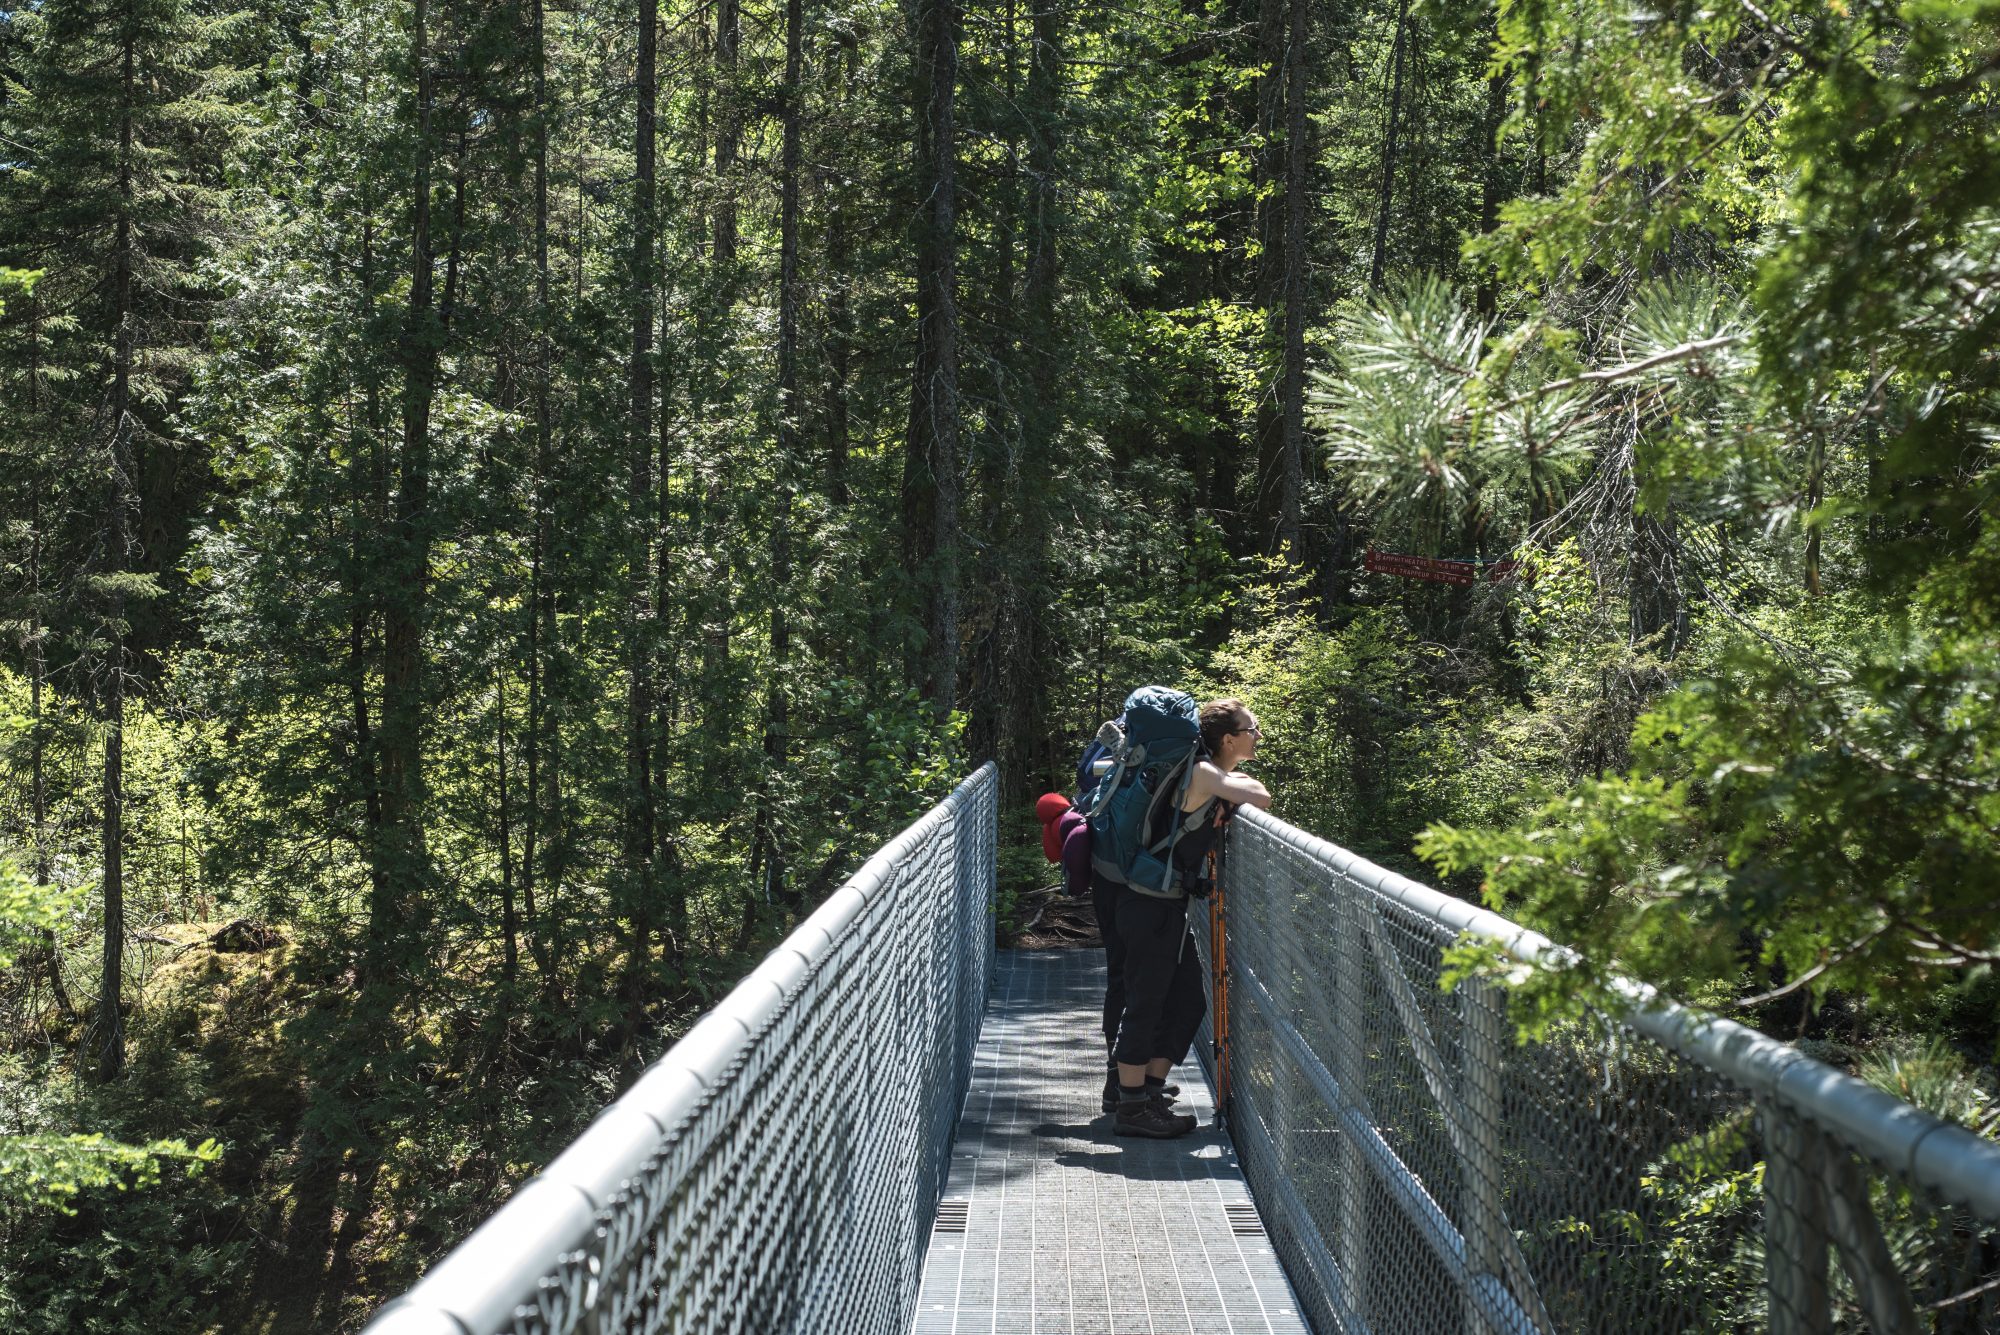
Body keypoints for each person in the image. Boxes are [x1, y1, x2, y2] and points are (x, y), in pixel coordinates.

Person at [1105, 697, 1271, 1138]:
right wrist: (1231, 789)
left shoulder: (1203, 772)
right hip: (1148, 906)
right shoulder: (1201, 772)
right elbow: (1262, 796)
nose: (1257, 735)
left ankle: (1148, 1090)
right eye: (1251, 728)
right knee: (1146, 1003)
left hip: (1159, 904)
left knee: (1187, 1001)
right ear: (1229, 739)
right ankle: (1132, 1108)